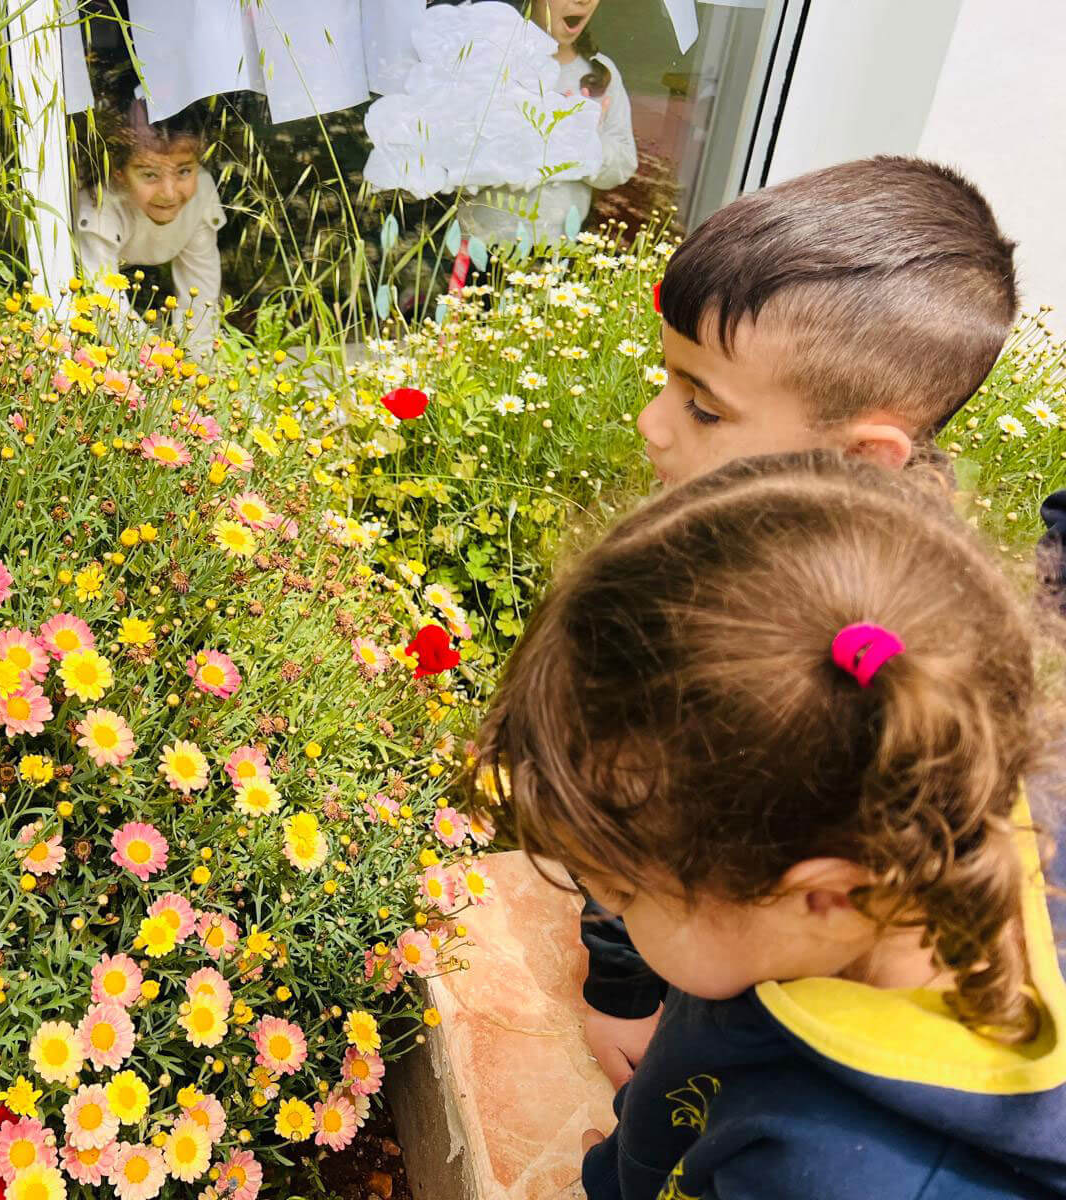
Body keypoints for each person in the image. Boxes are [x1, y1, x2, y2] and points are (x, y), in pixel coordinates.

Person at [479, 452, 1066, 1199]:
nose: (610, 912)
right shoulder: (868, 830)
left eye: (624, 895)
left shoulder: (835, 1177)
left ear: (824, 898)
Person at [579, 156, 1021, 1088]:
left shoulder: (914, 622)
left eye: (702, 404)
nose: (654, 424)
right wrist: (624, 989)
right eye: (669, 379)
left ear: (864, 456)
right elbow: (624, 815)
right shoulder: (703, 554)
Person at [457, 0, 636, 247]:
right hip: (481, 248)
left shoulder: (601, 74)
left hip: (557, 254)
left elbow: (624, 162)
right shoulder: (492, 62)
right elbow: (456, 157)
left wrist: (585, 144)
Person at [73, 97, 225, 348]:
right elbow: (103, 302)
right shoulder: (100, 202)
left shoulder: (201, 193)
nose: (168, 193)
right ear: (119, 173)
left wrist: (197, 373)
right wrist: (155, 362)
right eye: (149, 174)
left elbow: (201, 296)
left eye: (184, 171)